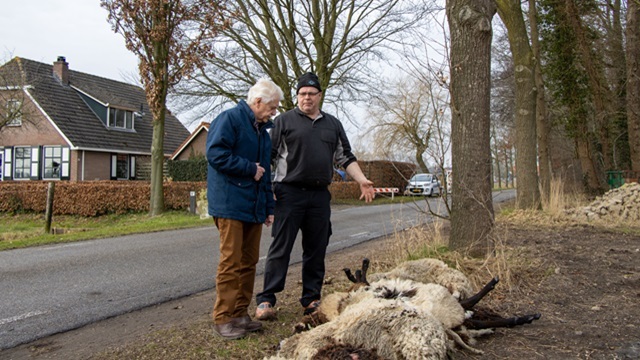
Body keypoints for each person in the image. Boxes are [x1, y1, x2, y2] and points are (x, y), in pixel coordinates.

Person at [255, 72, 375, 320]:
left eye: (311, 93)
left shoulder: (332, 124)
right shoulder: (283, 122)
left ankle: (311, 299)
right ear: (297, 96)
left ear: (319, 96)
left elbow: (345, 157)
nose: (306, 98)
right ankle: (266, 300)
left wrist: (362, 180)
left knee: (316, 249)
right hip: (288, 194)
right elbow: (268, 157)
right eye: (302, 94)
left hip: (320, 196)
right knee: (281, 248)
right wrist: (268, 190)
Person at [206, 77, 283, 340]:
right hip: (229, 204)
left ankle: (240, 313)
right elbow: (215, 154)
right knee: (231, 261)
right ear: (258, 101)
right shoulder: (229, 120)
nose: (275, 111)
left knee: (249, 261)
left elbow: (266, 172)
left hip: (253, 207)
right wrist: (249, 168)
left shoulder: (262, 131)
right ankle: (223, 317)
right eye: (273, 106)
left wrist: (268, 206)